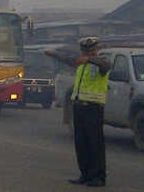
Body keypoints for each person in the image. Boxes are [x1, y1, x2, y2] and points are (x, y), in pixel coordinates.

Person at [46, 37, 110, 187]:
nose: (87, 53)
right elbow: (68, 59)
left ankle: (99, 176)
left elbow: (106, 64)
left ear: (96, 49)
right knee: (81, 143)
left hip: (93, 107)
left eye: (90, 50)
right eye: (85, 51)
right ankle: (86, 174)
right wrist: (54, 54)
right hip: (79, 105)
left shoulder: (101, 62)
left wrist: (88, 59)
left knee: (95, 143)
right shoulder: (81, 64)